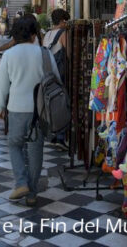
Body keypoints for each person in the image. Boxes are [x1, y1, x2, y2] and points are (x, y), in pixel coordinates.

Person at [0, 15, 59, 207]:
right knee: (35, 150)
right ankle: (31, 192)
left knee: (15, 144)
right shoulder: (44, 53)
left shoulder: (9, 55)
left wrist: (0, 108)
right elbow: (56, 80)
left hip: (16, 108)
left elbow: (2, 86)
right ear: (34, 34)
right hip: (40, 111)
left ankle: (21, 182)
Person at [42, 8, 70, 148]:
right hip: (59, 73)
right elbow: (69, 53)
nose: (66, 24)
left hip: (47, 73)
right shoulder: (62, 33)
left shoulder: (46, 34)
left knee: (50, 103)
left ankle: (52, 133)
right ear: (62, 21)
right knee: (61, 103)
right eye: (65, 21)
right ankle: (60, 136)